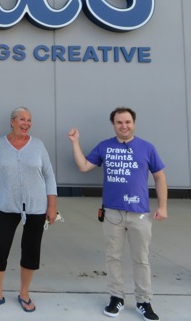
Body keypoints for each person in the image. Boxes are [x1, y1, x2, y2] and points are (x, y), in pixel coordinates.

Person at [67, 107, 168, 321]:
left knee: (141, 259)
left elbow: (159, 176)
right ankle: (116, 298)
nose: (124, 126)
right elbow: (84, 166)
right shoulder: (105, 146)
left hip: (139, 214)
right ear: (113, 124)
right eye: (119, 122)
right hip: (112, 213)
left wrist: (163, 206)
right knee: (113, 257)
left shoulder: (147, 147)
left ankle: (144, 301)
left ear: (134, 123)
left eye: (128, 122)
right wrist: (75, 143)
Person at [0, 107, 58, 313]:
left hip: (36, 207)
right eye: (22, 119)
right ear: (12, 121)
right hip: (7, 204)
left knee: (31, 250)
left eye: (29, 120)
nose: (26, 123)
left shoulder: (38, 145)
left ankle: (24, 293)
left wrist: (52, 206)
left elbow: (49, 175)